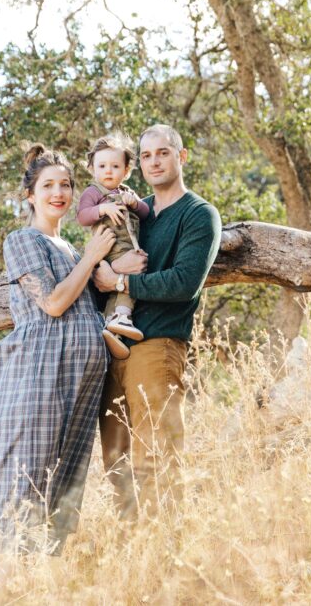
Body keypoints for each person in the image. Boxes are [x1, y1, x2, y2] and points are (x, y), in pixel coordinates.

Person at [0, 143, 117, 553]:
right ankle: (2, 568)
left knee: (65, 478)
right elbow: (52, 303)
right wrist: (92, 258)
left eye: (66, 184)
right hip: (40, 369)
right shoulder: (22, 241)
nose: (59, 193)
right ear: (30, 195)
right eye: (48, 185)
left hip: (83, 374)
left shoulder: (71, 247)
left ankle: (44, 578)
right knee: (26, 472)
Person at [93, 124, 222, 519]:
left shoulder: (199, 214)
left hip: (157, 346)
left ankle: (168, 558)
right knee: (116, 463)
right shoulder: (135, 212)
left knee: (156, 457)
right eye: (146, 156)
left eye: (163, 153)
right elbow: (100, 270)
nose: (154, 162)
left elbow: (184, 282)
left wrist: (120, 279)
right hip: (111, 347)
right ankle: (135, 560)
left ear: (181, 157)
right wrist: (111, 273)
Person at [76, 132, 151, 360]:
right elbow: (82, 216)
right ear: (92, 168)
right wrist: (102, 209)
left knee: (125, 283)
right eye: (102, 166)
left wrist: (135, 203)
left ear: (126, 171)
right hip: (107, 251)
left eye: (115, 166)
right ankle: (122, 317)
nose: (108, 171)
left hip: (129, 247)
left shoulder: (127, 192)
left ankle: (112, 329)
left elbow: (146, 213)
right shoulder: (93, 192)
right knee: (128, 280)